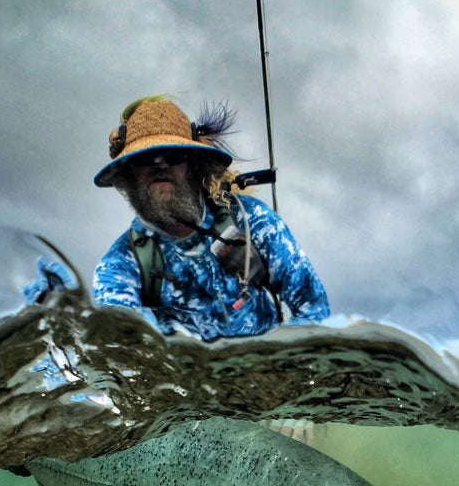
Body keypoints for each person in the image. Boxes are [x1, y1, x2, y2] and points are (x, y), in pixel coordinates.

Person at [91, 96, 329, 340]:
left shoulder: (250, 219)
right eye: (145, 157)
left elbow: (315, 310)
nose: (161, 165)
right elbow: (126, 352)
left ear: (192, 164)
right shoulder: (118, 267)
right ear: (128, 173)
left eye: (173, 154)